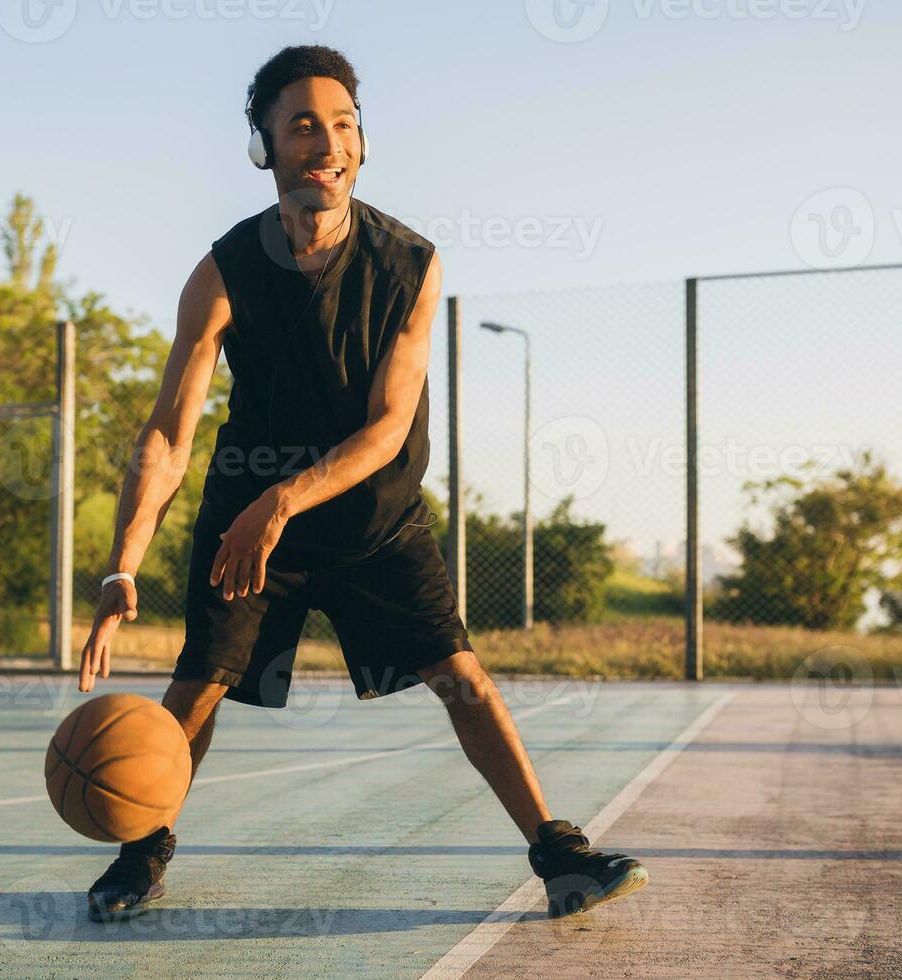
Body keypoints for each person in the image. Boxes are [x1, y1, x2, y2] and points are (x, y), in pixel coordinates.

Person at [76, 44, 647, 922]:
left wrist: (284, 499)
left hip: (369, 517)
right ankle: (141, 853)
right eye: (302, 124)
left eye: (343, 124)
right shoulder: (224, 270)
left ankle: (560, 856)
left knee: (460, 674)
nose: (326, 141)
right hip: (248, 518)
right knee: (201, 681)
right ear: (264, 146)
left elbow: (385, 428)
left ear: (363, 145)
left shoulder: (410, 264)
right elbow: (168, 430)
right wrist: (124, 564)